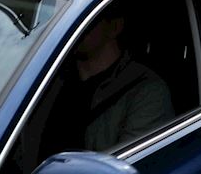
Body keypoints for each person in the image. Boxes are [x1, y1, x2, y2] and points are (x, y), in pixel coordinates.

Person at [35, 8, 173, 162]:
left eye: (87, 20)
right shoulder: (47, 78)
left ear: (114, 27)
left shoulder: (146, 90)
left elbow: (133, 164)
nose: (74, 26)